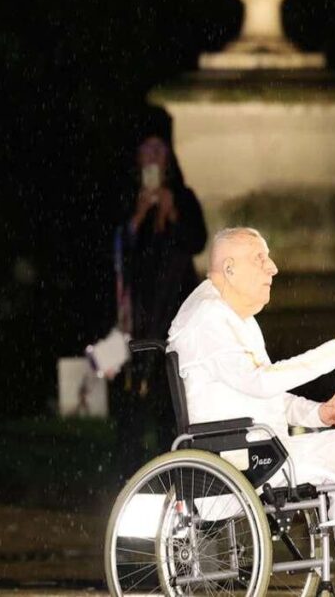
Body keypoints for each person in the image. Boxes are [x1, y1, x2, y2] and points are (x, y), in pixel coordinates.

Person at [168, 227, 335, 597]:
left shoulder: (234, 317)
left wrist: (318, 414)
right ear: (230, 269)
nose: (273, 269)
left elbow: (266, 395)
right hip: (233, 459)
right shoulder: (207, 318)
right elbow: (262, 383)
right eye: (260, 259)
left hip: (259, 448)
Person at [109, 120, 207, 478]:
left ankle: (176, 473)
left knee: (171, 400)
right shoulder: (127, 196)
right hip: (136, 313)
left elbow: (195, 241)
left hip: (173, 308)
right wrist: (139, 212)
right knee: (132, 399)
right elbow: (121, 250)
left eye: (158, 150)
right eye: (146, 150)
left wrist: (172, 211)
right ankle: (129, 476)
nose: (152, 157)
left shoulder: (183, 195)